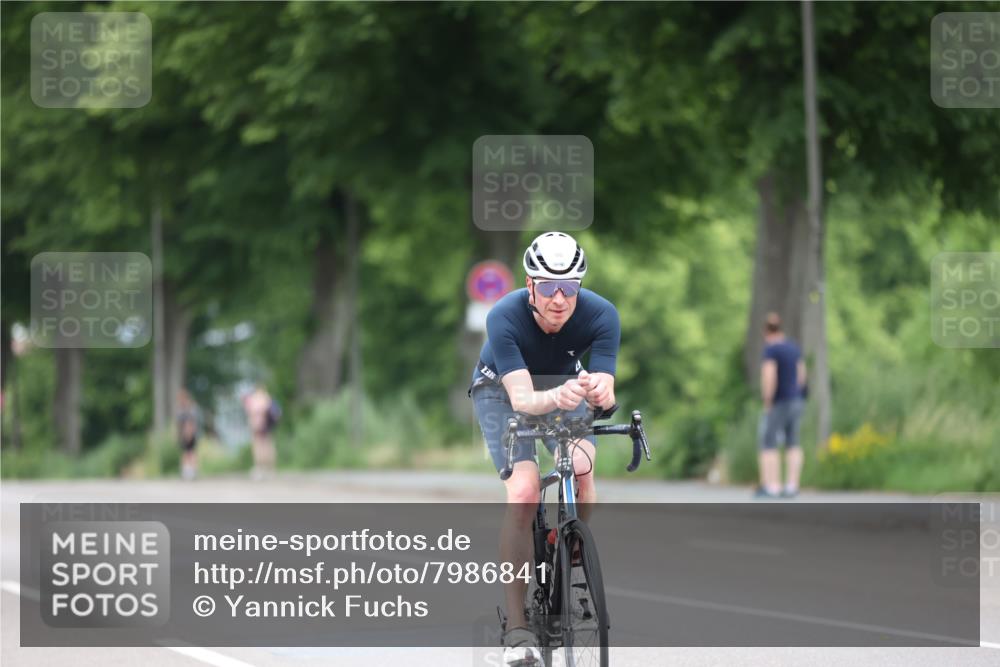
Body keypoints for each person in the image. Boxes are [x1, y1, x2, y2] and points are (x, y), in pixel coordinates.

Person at [468, 232, 620, 665]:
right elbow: (522, 400)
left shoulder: (602, 314)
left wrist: (599, 390)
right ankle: (518, 628)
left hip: (564, 385)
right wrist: (559, 396)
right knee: (524, 491)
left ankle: (569, 542)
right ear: (529, 284)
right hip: (501, 391)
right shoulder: (504, 315)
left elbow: (606, 387)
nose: (559, 298)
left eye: (569, 287)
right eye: (549, 286)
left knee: (584, 465)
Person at [756, 313, 806, 499]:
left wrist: (768, 400)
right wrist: (798, 394)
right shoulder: (793, 348)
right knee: (793, 442)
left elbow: (769, 375)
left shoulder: (771, 350)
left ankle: (773, 486)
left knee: (769, 442)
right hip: (796, 400)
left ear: (766, 331)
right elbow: (802, 375)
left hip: (779, 401)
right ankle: (792, 485)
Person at [243, 384, 278, 480]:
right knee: (268, 446)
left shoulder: (256, 399)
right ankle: (270, 469)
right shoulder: (267, 398)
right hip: (267, 426)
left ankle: (261, 468)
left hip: (258, 426)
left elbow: (252, 411)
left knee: (259, 447)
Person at [176, 389, 201, 481]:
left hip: (190, 434)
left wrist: (189, 433)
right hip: (184, 434)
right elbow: (178, 424)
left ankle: (192, 471)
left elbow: (191, 423)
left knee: (191, 452)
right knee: (186, 453)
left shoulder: (190, 409)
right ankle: (187, 471)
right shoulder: (181, 409)